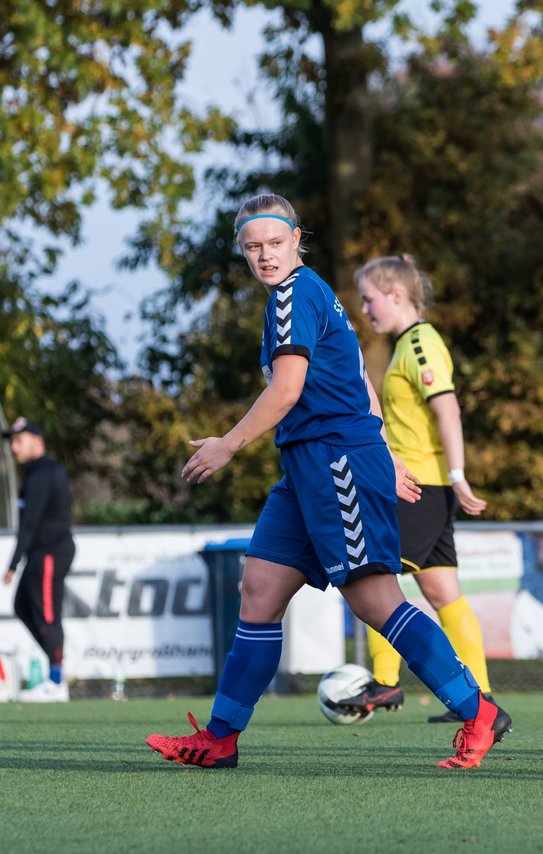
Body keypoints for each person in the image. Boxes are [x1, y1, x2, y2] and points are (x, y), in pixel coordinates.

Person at [145, 193, 510, 770]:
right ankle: (220, 737)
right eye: (252, 247)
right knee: (259, 590)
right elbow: (359, 381)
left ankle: (476, 710)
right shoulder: (309, 293)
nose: (264, 255)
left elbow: (288, 390)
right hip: (310, 466)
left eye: (273, 243)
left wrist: (229, 443)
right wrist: (386, 453)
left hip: (336, 462)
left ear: (296, 240)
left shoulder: (295, 293)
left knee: (375, 601)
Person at [347, 254, 496, 723]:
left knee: (373, 574)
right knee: (442, 591)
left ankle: (386, 683)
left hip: (418, 486)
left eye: (370, 300)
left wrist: (457, 475)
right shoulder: (408, 344)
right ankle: (482, 696)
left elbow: (447, 409)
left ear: (396, 296)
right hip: (427, 485)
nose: (366, 311)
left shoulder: (419, 343)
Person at [3, 417, 75, 703]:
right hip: (39, 553)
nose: (15, 447)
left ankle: (56, 682)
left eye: (20, 441)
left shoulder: (45, 472)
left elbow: (29, 524)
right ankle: (56, 666)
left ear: (37, 440)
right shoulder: (33, 474)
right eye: (13, 442)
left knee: (47, 615)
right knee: (22, 606)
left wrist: (12, 563)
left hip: (50, 552)